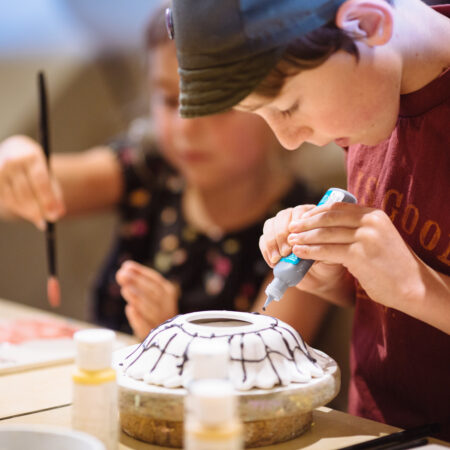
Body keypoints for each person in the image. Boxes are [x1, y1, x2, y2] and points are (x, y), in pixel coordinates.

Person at [165, 0, 450, 439]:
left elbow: (419, 287)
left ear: (366, 23)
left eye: (289, 106)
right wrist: (336, 274)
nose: (288, 140)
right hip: (379, 428)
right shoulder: (377, 93)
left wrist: (419, 288)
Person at [0, 2, 329, 343]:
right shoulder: (146, 169)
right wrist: (14, 162)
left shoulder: (306, 228)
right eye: (171, 101)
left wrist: (173, 335)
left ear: (279, 101)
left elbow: (270, 361)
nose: (188, 125)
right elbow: (30, 193)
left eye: (217, 104)